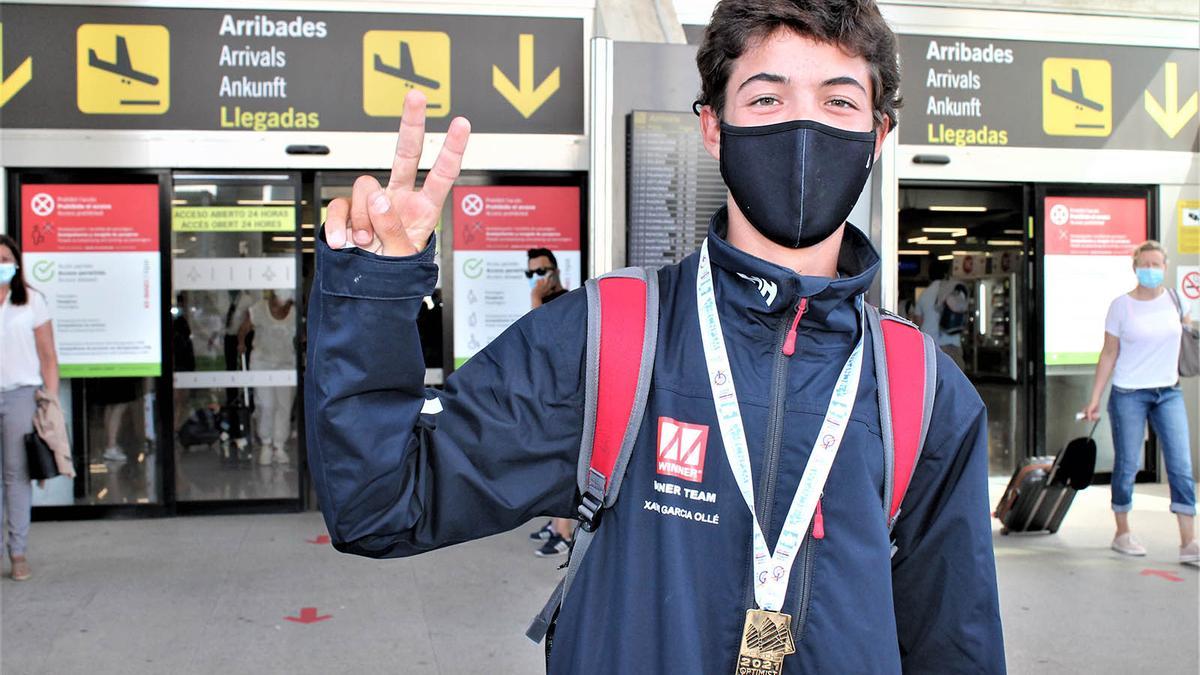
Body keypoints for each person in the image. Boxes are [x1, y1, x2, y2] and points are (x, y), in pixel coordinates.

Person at [306, 0, 1005, 671]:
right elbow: (381, 503)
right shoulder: (606, 339)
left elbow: (956, 645)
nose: (803, 126)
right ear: (713, 127)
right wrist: (376, 287)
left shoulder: (922, 392)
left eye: (839, 101)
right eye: (766, 98)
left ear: (879, 135)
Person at [1083, 240, 1197, 565]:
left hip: (1168, 392)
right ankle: (1122, 531)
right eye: (1144, 264)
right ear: (1135, 267)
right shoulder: (1121, 306)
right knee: (1128, 465)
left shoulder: (1176, 300)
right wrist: (1094, 399)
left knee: (1181, 465)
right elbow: (1108, 354)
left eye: (1156, 264)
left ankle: (1189, 541)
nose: (1150, 269)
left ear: (1165, 265)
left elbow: (1185, 339)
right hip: (1129, 393)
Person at [0, 234, 60, 581]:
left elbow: (49, 356)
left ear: (17, 263)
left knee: (15, 476)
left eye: (6, 258)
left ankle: (18, 552)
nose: (2, 264)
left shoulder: (32, 301)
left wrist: (49, 402)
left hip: (21, 395)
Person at [524, 248, 574, 557]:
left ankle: (564, 534)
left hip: (565, 396)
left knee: (561, 464)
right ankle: (555, 524)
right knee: (547, 463)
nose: (536, 279)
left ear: (554, 270)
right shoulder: (544, 302)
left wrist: (534, 301)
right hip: (547, 392)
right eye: (531, 273)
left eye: (541, 271)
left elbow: (539, 338)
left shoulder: (567, 300)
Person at [239, 289, 297, 466]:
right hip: (262, 362)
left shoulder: (295, 312)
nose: (278, 307)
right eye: (276, 302)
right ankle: (266, 443)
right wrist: (241, 343)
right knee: (266, 404)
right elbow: (244, 329)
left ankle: (279, 445)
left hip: (286, 363)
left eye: (283, 303)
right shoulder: (259, 308)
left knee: (284, 406)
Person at [913, 258, 968, 369]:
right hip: (952, 345)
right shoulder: (955, 291)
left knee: (933, 383)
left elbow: (918, 321)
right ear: (945, 274)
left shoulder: (924, 294)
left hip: (930, 347)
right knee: (954, 383)